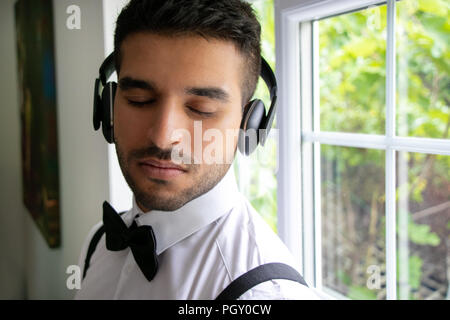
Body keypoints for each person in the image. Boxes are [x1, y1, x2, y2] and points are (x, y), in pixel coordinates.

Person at [75, 0, 320, 300]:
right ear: (108, 108)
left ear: (249, 126)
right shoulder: (97, 242)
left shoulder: (264, 295)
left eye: (201, 109)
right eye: (139, 99)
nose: (164, 138)